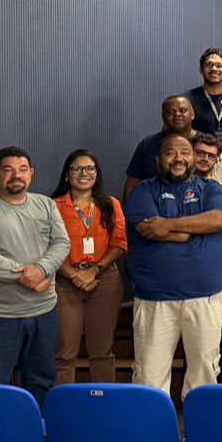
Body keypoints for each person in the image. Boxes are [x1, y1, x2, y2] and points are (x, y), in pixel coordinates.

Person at [124, 135, 222, 397]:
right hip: (155, 299)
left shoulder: (211, 189)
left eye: (185, 152)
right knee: (149, 375)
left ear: (194, 158)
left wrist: (169, 225)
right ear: (158, 160)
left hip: (205, 297)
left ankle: (200, 433)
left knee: (205, 373)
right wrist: (192, 228)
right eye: (171, 153)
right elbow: (147, 227)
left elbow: (217, 220)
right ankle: (151, 435)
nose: (178, 159)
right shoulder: (143, 191)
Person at [0, 147, 70, 403]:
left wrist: (41, 269)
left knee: (42, 380)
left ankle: (38, 438)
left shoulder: (45, 204)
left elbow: (62, 243)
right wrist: (24, 275)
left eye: (22, 169)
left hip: (43, 313)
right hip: (0, 317)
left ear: (31, 174)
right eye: (7, 170)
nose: (16, 175)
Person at [50, 150, 127, 385]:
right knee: (65, 353)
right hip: (65, 282)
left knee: (102, 352)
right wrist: (75, 274)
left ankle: (102, 408)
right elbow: (46, 247)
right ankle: (61, 408)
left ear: (97, 174)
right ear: (67, 175)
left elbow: (120, 244)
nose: (83, 173)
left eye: (89, 168)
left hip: (103, 281)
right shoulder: (53, 206)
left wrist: (93, 271)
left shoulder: (110, 204)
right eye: (76, 168)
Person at [125, 95, 197, 198]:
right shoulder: (147, 144)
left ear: (192, 114)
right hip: (153, 205)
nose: (177, 114)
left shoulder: (206, 144)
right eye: (170, 112)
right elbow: (132, 184)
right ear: (163, 117)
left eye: (182, 110)